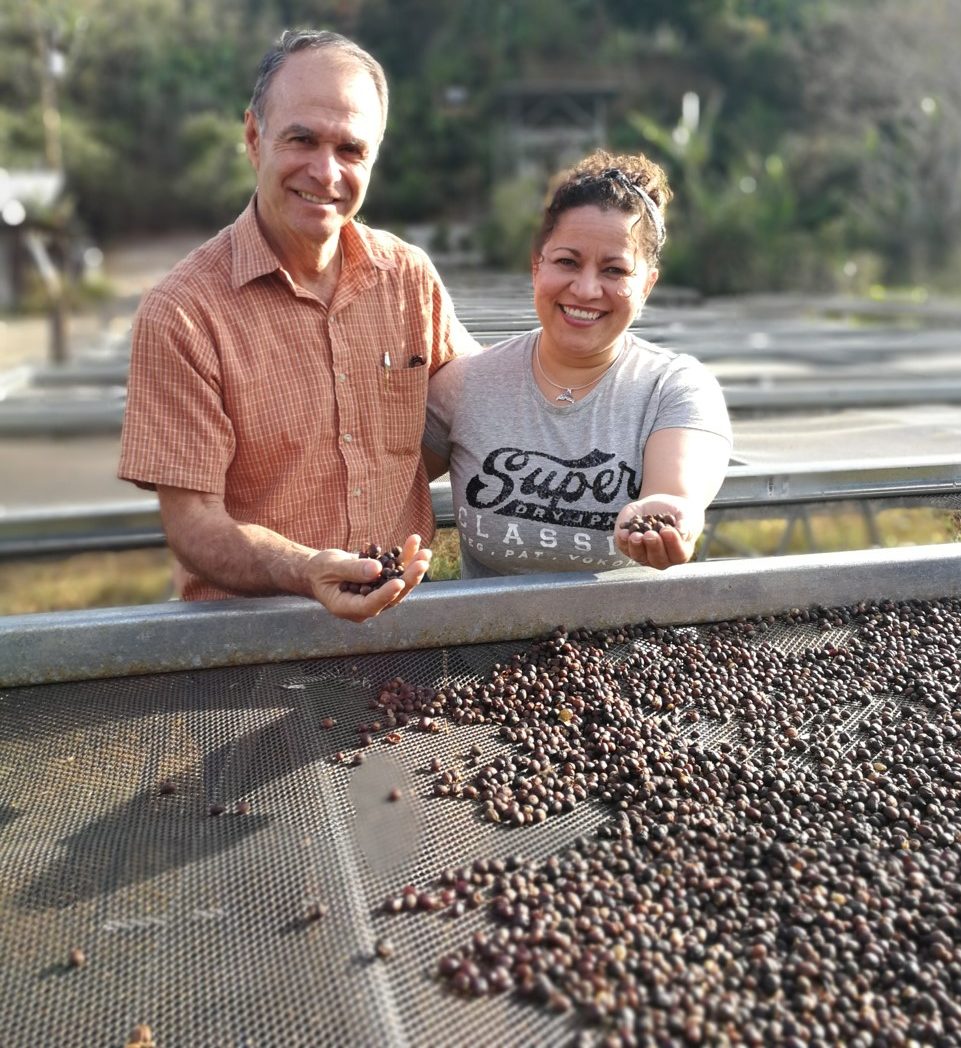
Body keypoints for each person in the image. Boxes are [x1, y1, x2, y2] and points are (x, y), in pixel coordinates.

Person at [118, 29, 478, 620]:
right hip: (252, 648)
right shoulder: (183, 312)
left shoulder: (408, 278)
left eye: (351, 149)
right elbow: (193, 522)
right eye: (302, 139)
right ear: (253, 138)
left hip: (402, 630)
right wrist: (303, 569)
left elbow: (477, 397)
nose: (325, 171)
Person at [422, 149, 732, 579]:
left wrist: (668, 513)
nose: (586, 289)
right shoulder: (467, 383)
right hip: (486, 623)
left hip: (630, 624)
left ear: (646, 286)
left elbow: (676, 491)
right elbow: (379, 481)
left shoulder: (674, 387)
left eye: (615, 270)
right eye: (567, 262)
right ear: (537, 267)